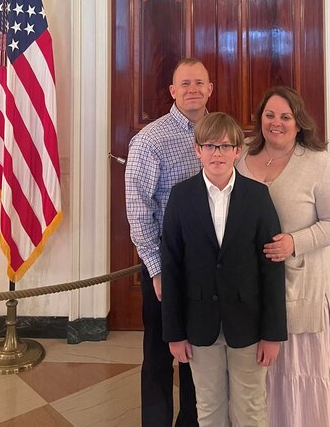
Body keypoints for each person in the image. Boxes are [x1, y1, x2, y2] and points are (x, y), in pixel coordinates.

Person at [161, 112, 287, 427]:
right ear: (197, 150)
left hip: (248, 324)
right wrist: (175, 333)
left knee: (250, 409)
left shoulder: (257, 197)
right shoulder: (181, 197)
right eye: (209, 146)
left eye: (225, 146)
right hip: (199, 324)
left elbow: (271, 268)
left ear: (237, 151)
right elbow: (172, 268)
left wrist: (272, 334)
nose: (217, 153)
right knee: (209, 407)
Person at [236, 86, 330, 427]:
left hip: (299, 293)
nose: (276, 123)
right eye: (269, 115)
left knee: (297, 379)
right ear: (259, 119)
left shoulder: (318, 164)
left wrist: (294, 242)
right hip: (248, 293)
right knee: (254, 382)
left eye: (285, 117)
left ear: (298, 122)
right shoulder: (240, 155)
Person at [125, 57, 213, 427]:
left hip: (209, 268)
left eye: (200, 83)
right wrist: (157, 271)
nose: (193, 89)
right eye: (185, 84)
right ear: (173, 92)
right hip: (166, 268)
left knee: (202, 355)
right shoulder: (150, 140)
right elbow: (138, 209)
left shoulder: (220, 133)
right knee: (160, 357)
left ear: (210, 89)